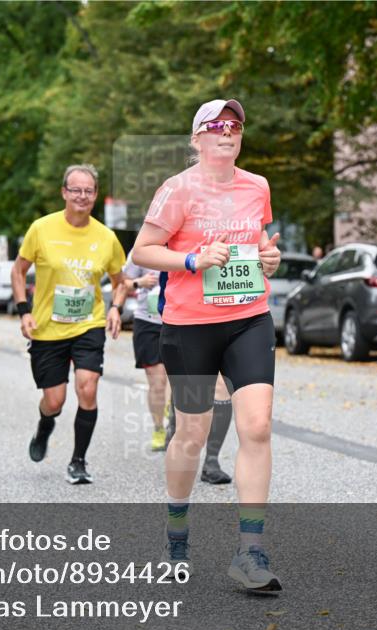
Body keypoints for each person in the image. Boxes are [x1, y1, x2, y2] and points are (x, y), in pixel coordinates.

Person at [132, 99, 283, 592]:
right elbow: (143, 251)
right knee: (192, 435)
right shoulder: (177, 189)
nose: (228, 131)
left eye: (235, 125)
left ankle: (250, 551)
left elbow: (259, 242)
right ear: (197, 138)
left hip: (249, 318)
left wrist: (270, 257)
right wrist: (193, 260)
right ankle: (176, 538)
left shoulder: (257, 186)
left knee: (256, 426)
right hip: (191, 326)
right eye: (217, 125)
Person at [12, 164, 127, 485]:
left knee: (88, 387)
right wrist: (23, 311)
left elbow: (121, 281)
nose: (82, 196)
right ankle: (45, 425)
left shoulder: (106, 237)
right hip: (48, 328)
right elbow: (18, 271)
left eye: (88, 191)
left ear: (95, 195)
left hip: (89, 325)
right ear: (64, 192)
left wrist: (116, 308)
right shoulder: (41, 229)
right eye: (76, 190)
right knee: (54, 401)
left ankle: (78, 461)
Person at [122, 251, 170, 451]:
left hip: (177, 321)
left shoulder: (182, 243)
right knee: (157, 382)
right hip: (147, 322)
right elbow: (122, 283)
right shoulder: (140, 250)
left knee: (176, 379)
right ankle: (159, 428)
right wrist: (139, 282)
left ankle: (172, 414)